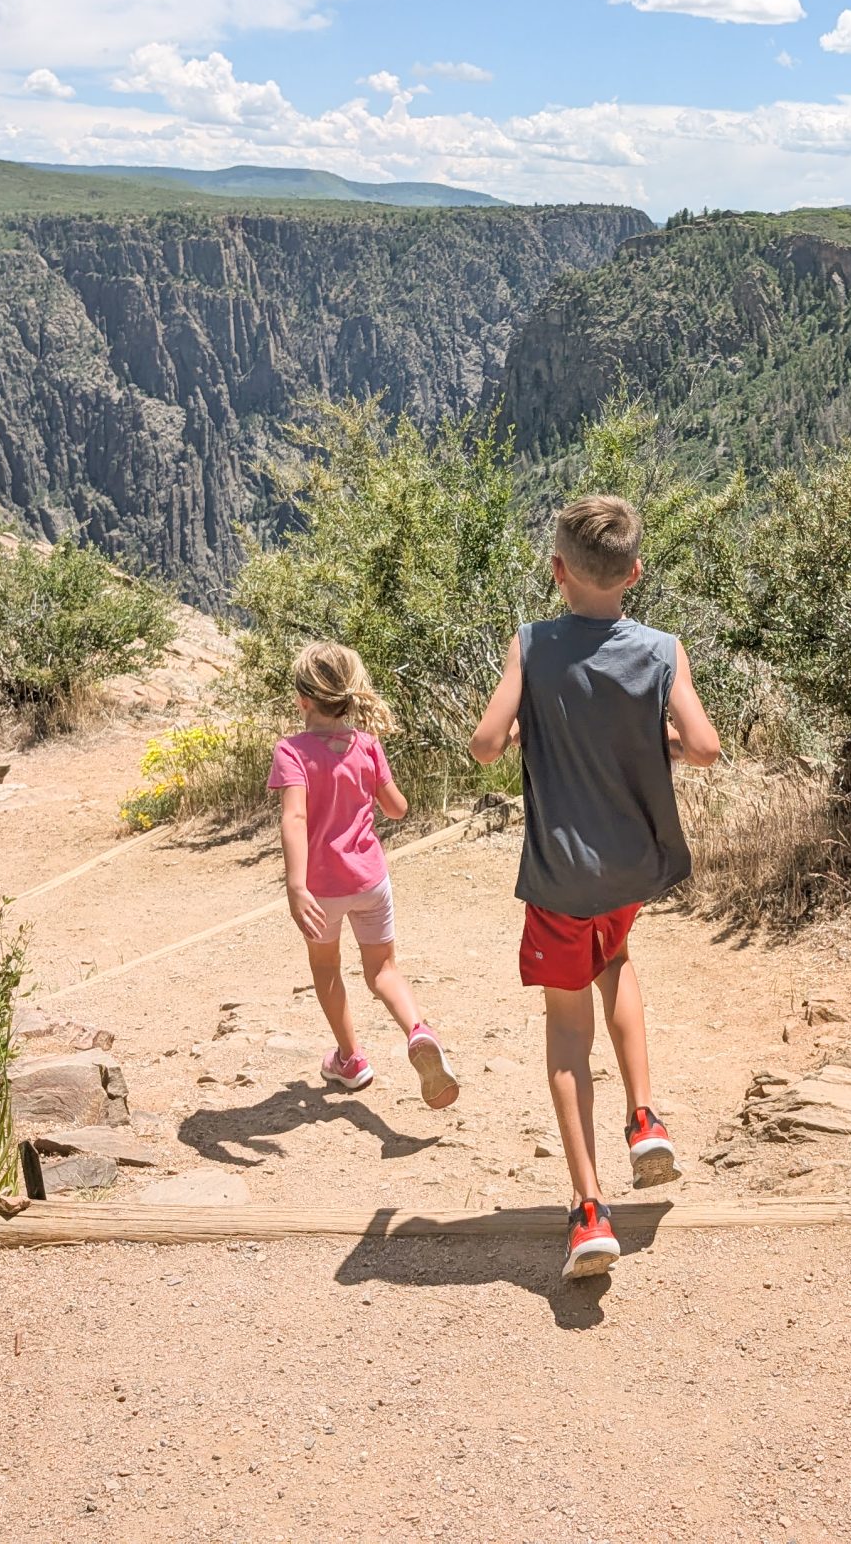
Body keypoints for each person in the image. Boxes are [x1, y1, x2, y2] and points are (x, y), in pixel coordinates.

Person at [469, 495, 720, 1280]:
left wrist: (518, 729)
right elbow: (706, 747)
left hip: (559, 878)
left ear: (557, 572)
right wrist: (660, 738)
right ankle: (644, 1117)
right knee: (614, 962)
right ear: (635, 573)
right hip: (629, 870)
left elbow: (483, 746)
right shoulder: (661, 649)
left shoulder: (532, 646)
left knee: (566, 1030)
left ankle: (587, 1211)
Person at [267, 641, 458, 1111]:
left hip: (322, 889)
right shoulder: (367, 745)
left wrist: (295, 886)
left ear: (303, 700)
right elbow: (398, 808)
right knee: (383, 970)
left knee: (327, 968)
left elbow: (293, 818)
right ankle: (418, 1029)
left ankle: (351, 1059)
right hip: (370, 881)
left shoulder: (291, 751)